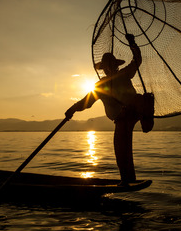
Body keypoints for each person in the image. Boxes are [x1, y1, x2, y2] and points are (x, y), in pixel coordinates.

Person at [65, 34, 153, 185]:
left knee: (144, 99)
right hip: (121, 119)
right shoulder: (100, 85)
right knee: (121, 151)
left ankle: (146, 119)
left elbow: (137, 59)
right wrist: (72, 109)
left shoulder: (124, 74)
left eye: (112, 65)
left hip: (132, 111)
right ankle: (127, 180)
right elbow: (86, 102)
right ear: (104, 68)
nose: (109, 68)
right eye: (107, 66)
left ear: (115, 65)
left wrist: (132, 42)